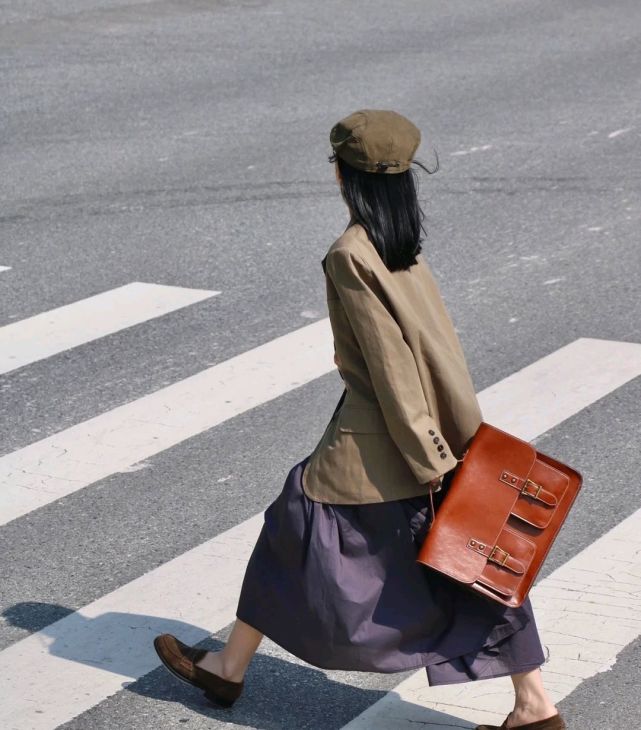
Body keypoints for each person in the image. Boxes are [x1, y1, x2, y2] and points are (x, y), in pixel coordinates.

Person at [153, 109, 565, 730]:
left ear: (344, 177)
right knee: (473, 565)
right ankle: (533, 706)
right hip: (425, 431)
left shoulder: (351, 252)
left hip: (384, 439)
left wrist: (434, 463)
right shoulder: (402, 245)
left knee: (304, 527)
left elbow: (394, 371)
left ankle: (229, 669)